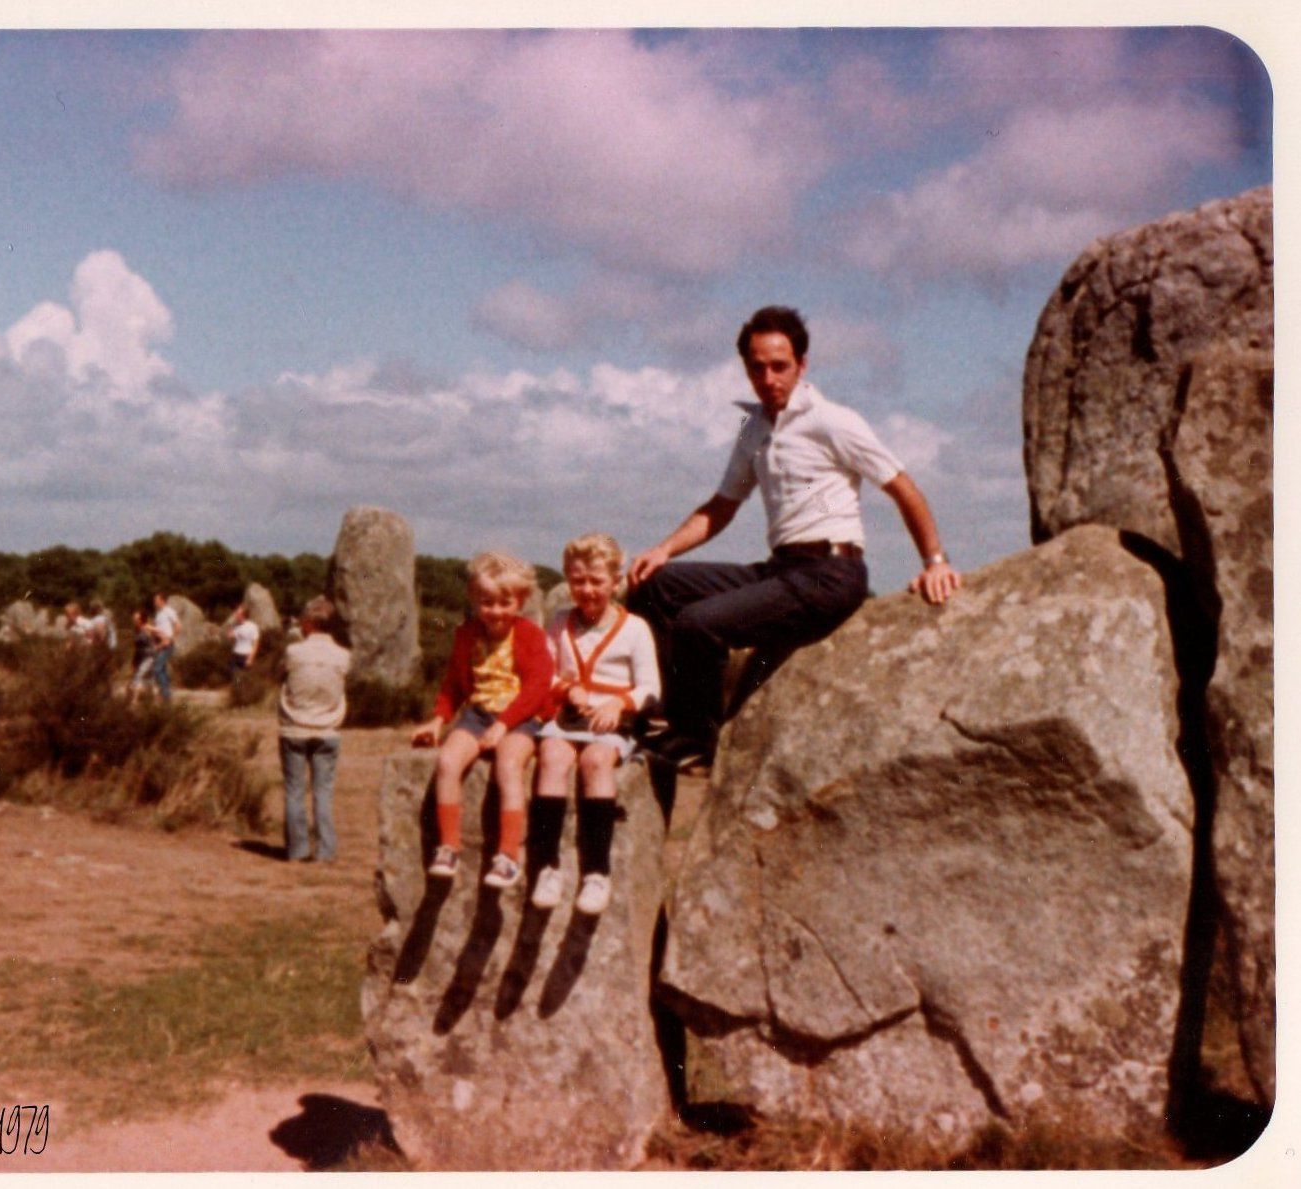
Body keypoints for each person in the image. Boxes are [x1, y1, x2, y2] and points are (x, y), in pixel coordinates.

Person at [627, 306, 962, 771]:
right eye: (757, 367)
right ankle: (670, 715)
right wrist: (663, 549)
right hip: (781, 569)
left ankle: (699, 745)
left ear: (802, 365)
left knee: (699, 623)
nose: (768, 378)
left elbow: (902, 487)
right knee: (655, 586)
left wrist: (936, 562)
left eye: (779, 366)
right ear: (746, 368)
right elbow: (722, 506)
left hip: (830, 574)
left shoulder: (833, 420)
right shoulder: (753, 429)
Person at [528, 534, 660, 916]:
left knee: (596, 763)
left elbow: (651, 686)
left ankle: (597, 873)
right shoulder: (559, 623)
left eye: (596, 581)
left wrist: (620, 703)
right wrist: (567, 690)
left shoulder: (635, 628)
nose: (587, 590)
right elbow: (546, 675)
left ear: (615, 581)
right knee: (551, 757)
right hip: (568, 718)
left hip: (611, 723)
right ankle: (548, 867)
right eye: (578, 581)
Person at [410, 552, 554, 888]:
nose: (496, 611)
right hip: (478, 714)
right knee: (447, 762)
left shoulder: (530, 635)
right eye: (486, 602)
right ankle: (448, 846)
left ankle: (507, 855)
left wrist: (505, 723)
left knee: (508, 765)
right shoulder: (466, 634)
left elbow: (538, 686)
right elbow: (454, 684)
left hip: (521, 716)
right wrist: (438, 720)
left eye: (506, 602)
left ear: (521, 601)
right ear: (474, 599)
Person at [276, 596, 352, 862]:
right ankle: (326, 851)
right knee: (323, 792)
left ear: (307, 623)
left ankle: (297, 850)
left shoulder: (294, 652)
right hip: (328, 728)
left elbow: (281, 676)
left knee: (294, 791)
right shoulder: (344, 656)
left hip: (295, 726)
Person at [150, 592, 181, 703]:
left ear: (162, 600)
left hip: (167, 644)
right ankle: (165, 694)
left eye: (156, 600)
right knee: (161, 669)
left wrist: (171, 638)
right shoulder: (158, 613)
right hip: (159, 643)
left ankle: (166, 695)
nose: (154, 602)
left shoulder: (169, 611)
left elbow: (178, 626)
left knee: (157, 668)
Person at [127, 609, 158, 702]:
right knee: (150, 680)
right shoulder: (137, 630)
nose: (134, 620)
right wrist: (134, 662)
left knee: (139, 676)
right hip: (141, 657)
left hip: (149, 657)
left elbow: (160, 634)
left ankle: (134, 701)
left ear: (141, 620)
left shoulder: (147, 628)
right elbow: (137, 648)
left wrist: (157, 645)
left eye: (136, 619)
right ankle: (156, 701)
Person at [226, 603, 261, 683]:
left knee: (246, 678)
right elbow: (230, 638)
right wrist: (230, 628)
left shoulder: (252, 626)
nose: (235, 615)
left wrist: (250, 658)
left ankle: (245, 692)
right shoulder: (235, 626)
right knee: (236, 677)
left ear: (243, 615)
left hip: (246, 655)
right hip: (235, 654)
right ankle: (237, 688)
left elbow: (255, 644)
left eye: (237, 614)